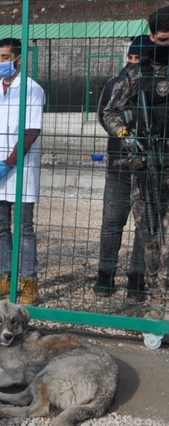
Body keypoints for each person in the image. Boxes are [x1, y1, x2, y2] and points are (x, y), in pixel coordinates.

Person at [102, 6, 169, 316]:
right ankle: (157, 306)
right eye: (161, 39)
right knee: (151, 237)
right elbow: (109, 111)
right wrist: (128, 136)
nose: (163, 45)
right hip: (150, 167)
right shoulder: (137, 73)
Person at [0, 37, 45, 306]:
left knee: (24, 229)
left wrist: (9, 162)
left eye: (6, 57)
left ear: (19, 59)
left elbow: (31, 131)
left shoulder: (31, 89)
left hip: (20, 170)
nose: (1, 62)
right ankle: (4, 278)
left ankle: (29, 283)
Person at [94, 35, 153, 299]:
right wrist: (125, 134)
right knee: (112, 223)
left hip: (149, 168)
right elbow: (104, 115)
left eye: (138, 59)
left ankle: (137, 278)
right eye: (130, 58)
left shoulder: (156, 84)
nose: (133, 64)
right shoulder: (115, 84)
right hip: (119, 165)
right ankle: (105, 274)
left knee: (145, 225)